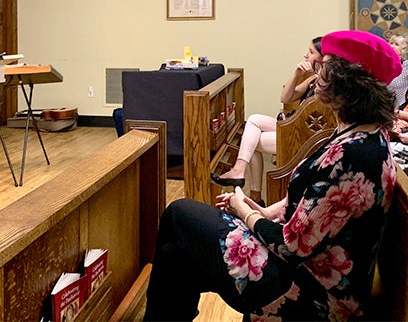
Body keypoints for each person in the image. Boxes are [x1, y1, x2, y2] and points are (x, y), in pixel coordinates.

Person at [143, 30, 400, 322]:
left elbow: (292, 246)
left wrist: (245, 212)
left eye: (322, 66)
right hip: (305, 265)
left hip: (309, 291)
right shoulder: (361, 134)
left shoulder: (355, 156)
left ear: (347, 81)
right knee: (174, 255)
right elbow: (314, 208)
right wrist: (265, 210)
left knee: (179, 212)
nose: (317, 75)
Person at [210, 37, 323, 204]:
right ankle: (241, 175)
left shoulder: (327, 83)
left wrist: (292, 119)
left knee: (251, 141)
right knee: (253, 121)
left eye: (311, 52)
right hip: (295, 127)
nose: (306, 55)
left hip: (305, 138)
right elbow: (285, 98)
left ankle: (251, 190)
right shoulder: (313, 79)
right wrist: (296, 73)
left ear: (323, 58)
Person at [387, 32, 408, 109]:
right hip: (382, 107)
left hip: (400, 108)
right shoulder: (382, 63)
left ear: (404, 49)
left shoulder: (406, 66)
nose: (391, 46)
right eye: (391, 43)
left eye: (396, 44)